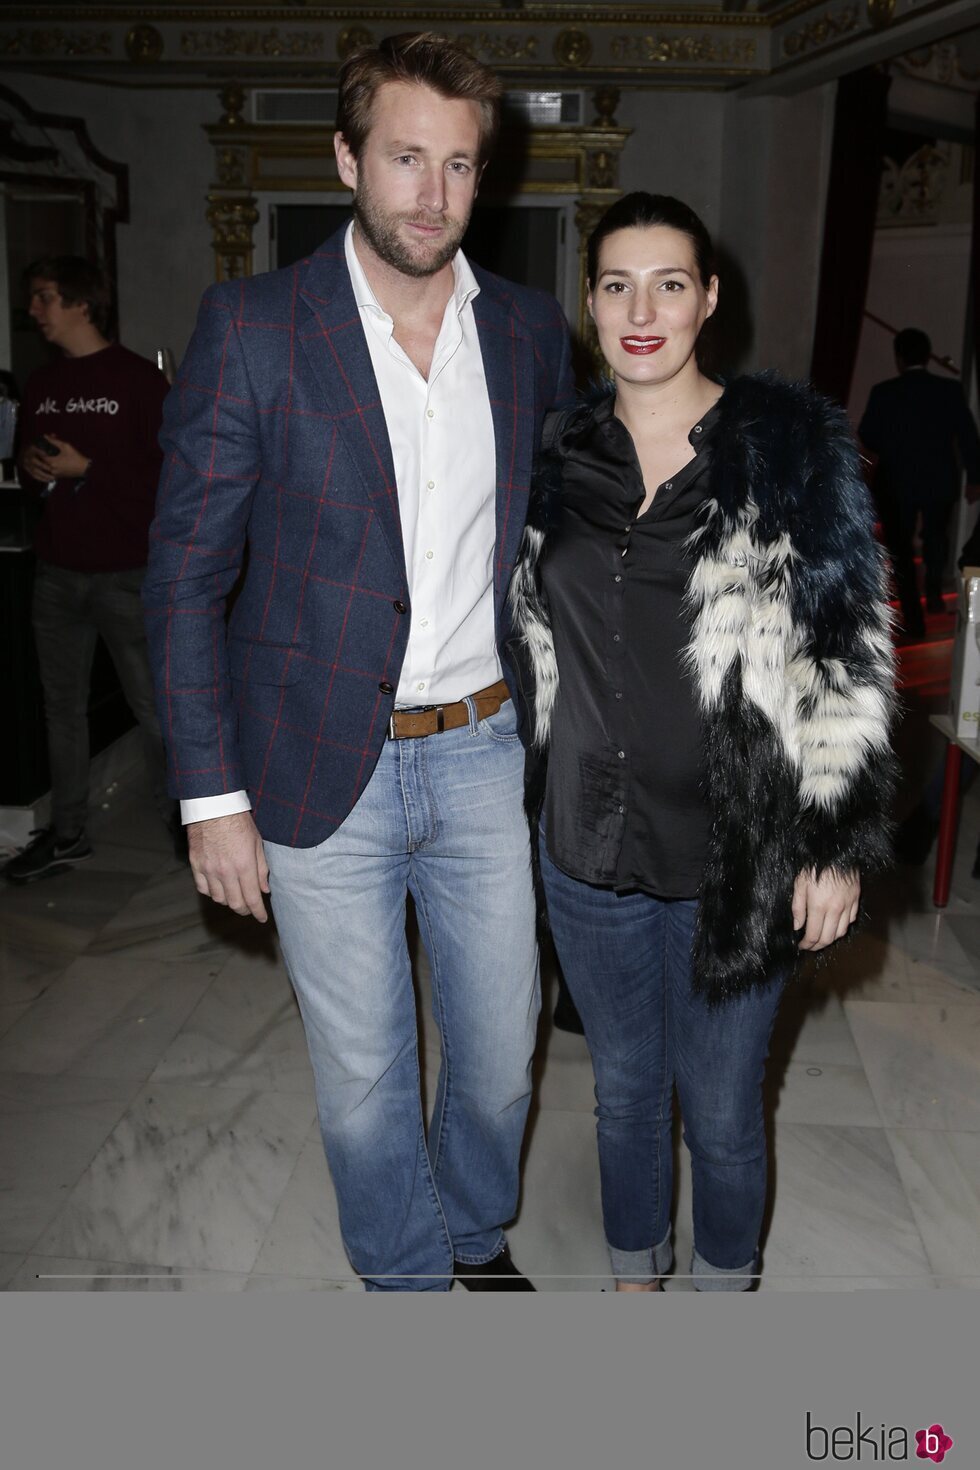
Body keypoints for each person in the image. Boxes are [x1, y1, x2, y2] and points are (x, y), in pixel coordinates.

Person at [143, 33, 574, 1291]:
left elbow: (558, 528)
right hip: (312, 754)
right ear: (345, 160)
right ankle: (407, 1278)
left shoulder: (533, 333)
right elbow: (184, 577)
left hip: (485, 747)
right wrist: (211, 797)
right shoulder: (254, 327)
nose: (431, 194)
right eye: (402, 158)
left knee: (499, 1052)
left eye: (456, 165)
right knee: (367, 1067)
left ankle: (472, 1228)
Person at [508, 193, 895, 1291]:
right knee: (625, 1089)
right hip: (584, 843)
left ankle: (723, 1291)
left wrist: (832, 841)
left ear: (707, 299)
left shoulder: (785, 451)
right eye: (616, 285)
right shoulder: (552, 448)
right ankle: (637, 1278)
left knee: (722, 1110)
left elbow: (845, 650)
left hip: (740, 851)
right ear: (588, 305)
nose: (641, 310)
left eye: (667, 284)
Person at [4, 257, 171, 885]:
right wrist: (33, 468)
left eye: (46, 297)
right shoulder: (42, 383)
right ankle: (67, 830)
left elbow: (171, 483)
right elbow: (28, 473)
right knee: (61, 711)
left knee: (153, 710)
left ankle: (184, 824)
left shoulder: (138, 382)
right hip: (57, 573)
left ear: (82, 304)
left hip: (126, 575)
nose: (35, 311)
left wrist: (90, 470)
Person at [859, 327, 980, 639]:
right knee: (936, 536)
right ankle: (936, 589)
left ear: (899, 358)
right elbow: (967, 436)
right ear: (927, 356)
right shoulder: (948, 389)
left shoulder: (884, 391)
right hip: (939, 478)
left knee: (900, 549)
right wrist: (975, 477)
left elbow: (869, 435)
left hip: (897, 482)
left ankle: (914, 619)